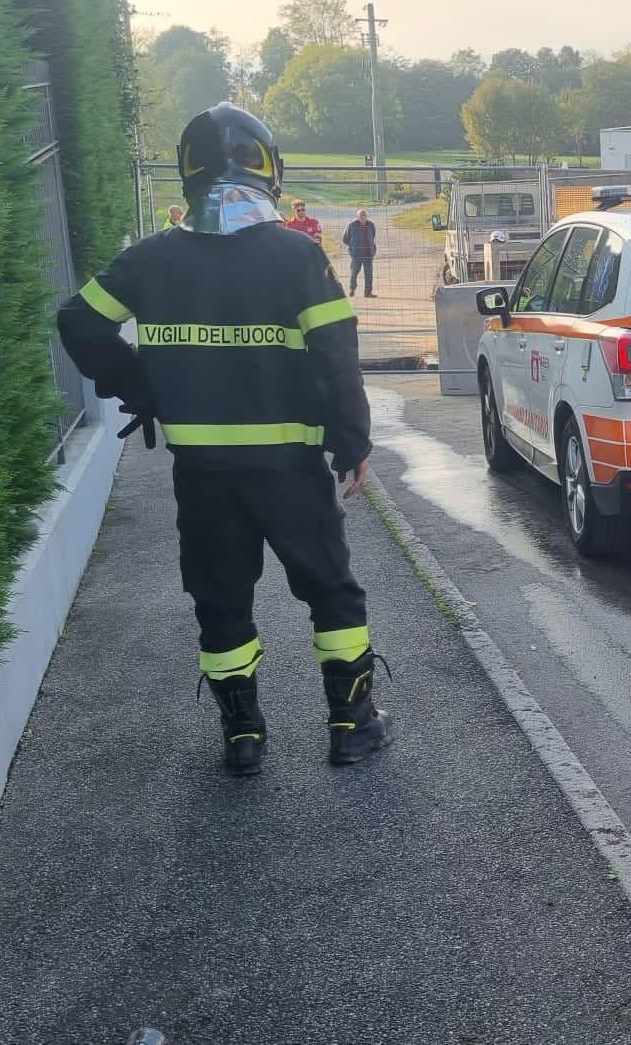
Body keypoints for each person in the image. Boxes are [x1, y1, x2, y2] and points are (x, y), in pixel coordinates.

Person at [55, 102, 393, 776]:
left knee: (220, 597)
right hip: (290, 469)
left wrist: (140, 388)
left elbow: (77, 321)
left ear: (187, 170)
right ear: (269, 169)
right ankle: (352, 725)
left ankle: (243, 738)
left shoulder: (152, 258)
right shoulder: (298, 255)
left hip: (202, 471)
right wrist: (351, 441)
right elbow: (335, 355)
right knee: (331, 590)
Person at [342, 209, 377, 298]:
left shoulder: (371, 225)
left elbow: (372, 236)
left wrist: (372, 249)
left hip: (368, 254)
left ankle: (368, 292)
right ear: (357, 217)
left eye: (364, 215)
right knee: (354, 272)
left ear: (367, 216)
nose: (363, 217)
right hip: (356, 254)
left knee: (369, 274)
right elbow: (345, 239)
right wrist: (352, 247)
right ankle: (352, 288)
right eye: (361, 215)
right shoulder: (352, 225)